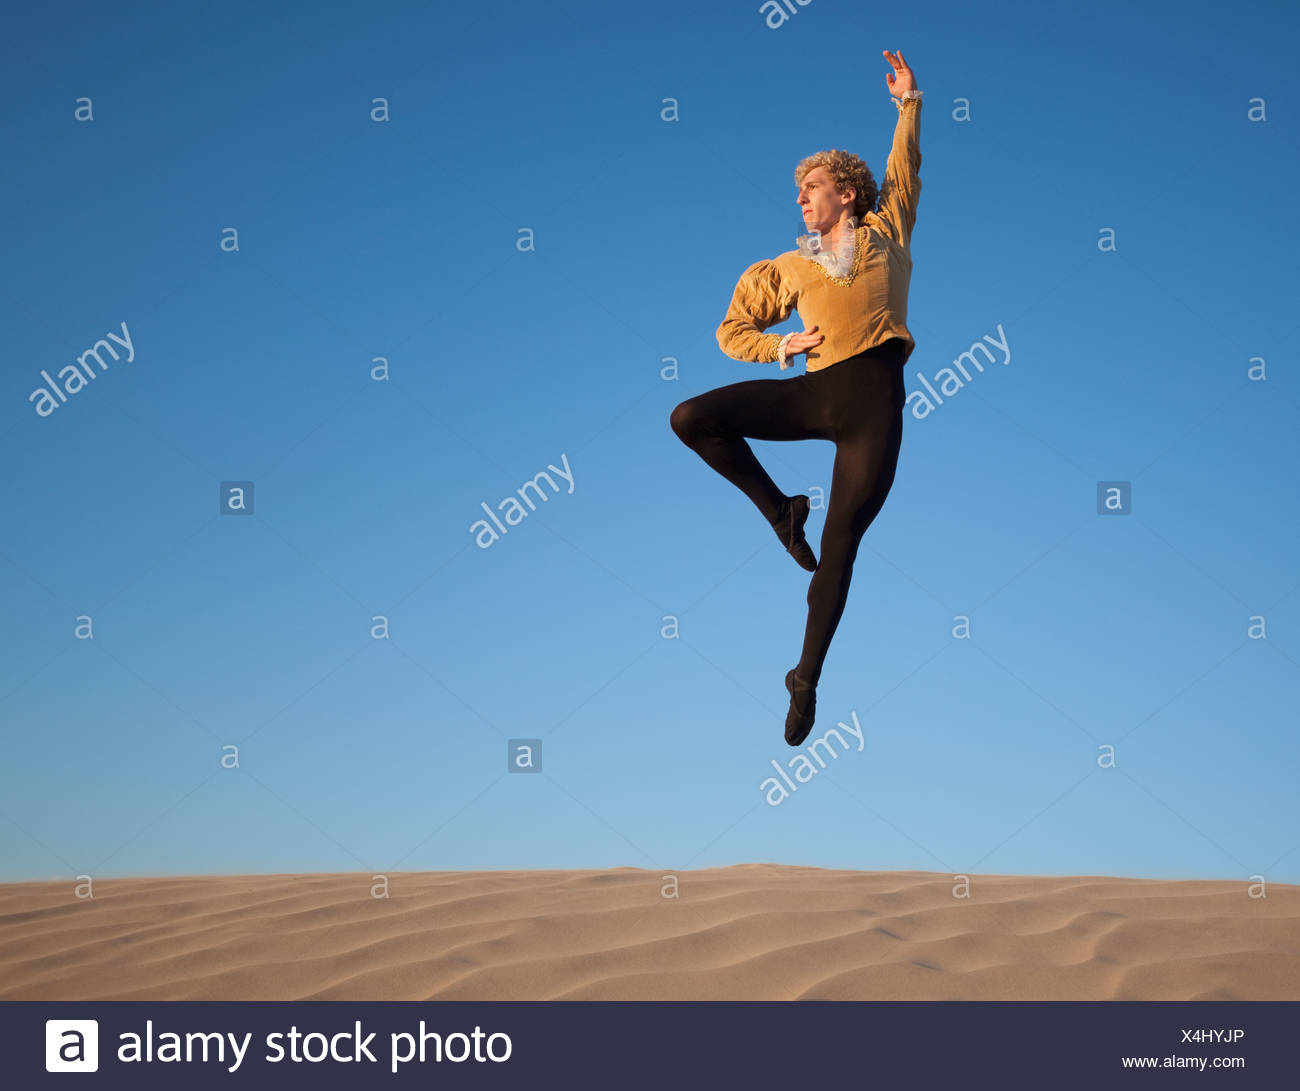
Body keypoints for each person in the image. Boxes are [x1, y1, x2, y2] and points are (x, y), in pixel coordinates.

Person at [669, 49, 923, 747]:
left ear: (847, 192)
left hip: (875, 403)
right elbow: (732, 328)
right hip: (815, 392)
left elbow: (904, 173)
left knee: (842, 541)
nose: (802, 198)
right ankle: (780, 508)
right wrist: (779, 347)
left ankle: (805, 677)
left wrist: (908, 105)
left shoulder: (885, 233)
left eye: (813, 187)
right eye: (799, 192)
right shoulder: (789, 265)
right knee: (693, 418)